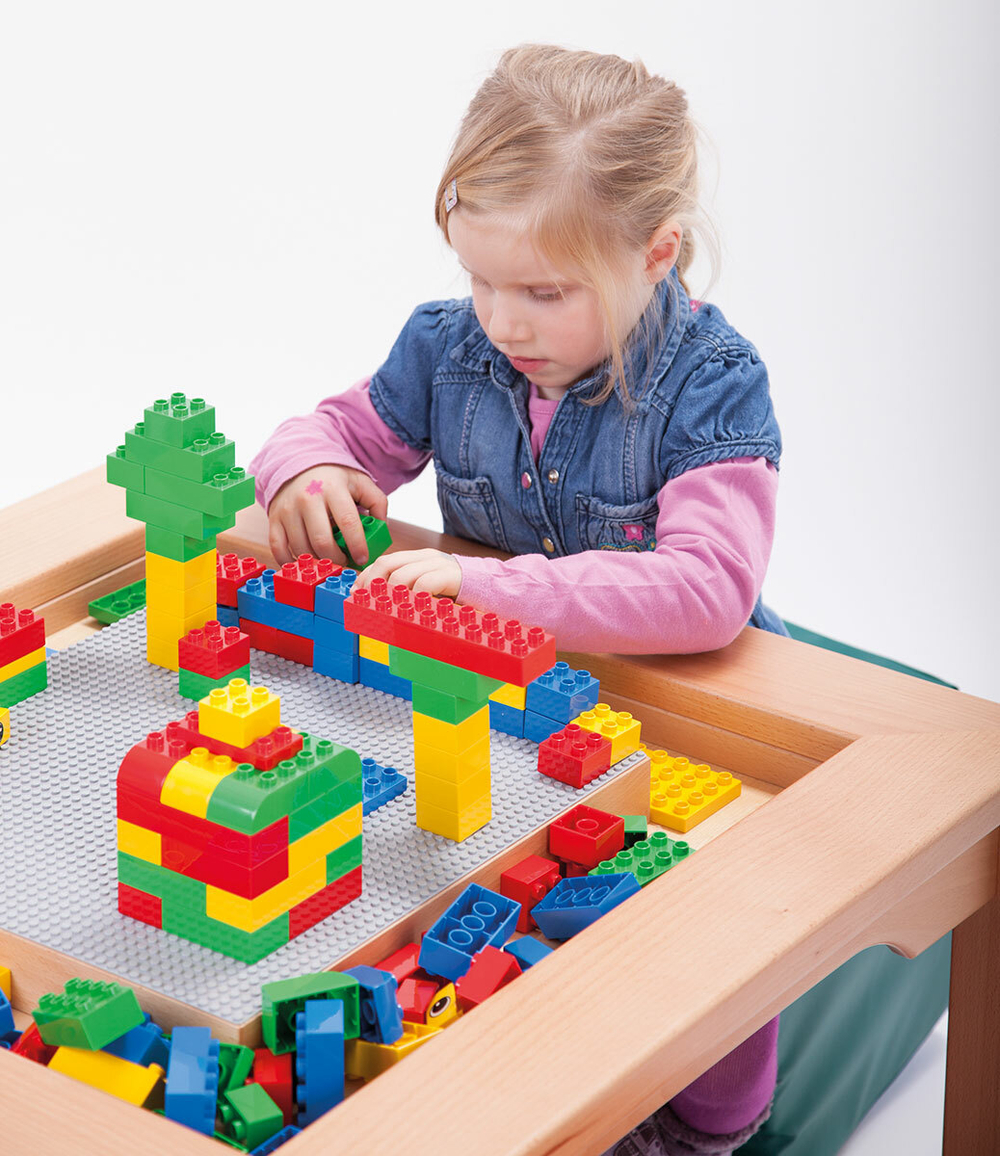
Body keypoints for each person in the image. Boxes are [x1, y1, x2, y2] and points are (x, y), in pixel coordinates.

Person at [251, 43, 782, 1155]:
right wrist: (305, 469)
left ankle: (708, 1129)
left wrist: (488, 587)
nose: (505, 322)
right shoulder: (449, 348)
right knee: (477, 884)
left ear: (656, 252)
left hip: (674, 698)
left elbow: (709, 589)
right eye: (481, 279)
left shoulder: (711, 379)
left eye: (544, 291)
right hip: (506, 701)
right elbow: (333, 429)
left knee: (718, 886)